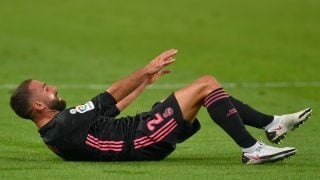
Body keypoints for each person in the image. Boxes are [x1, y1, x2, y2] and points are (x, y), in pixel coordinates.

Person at [10, 49, 312, 164]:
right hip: (143, 137)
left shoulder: (55, 135)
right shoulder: (64, 123)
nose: (54, 88)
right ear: (38, 104)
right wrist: (145, 68)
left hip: (140, 136)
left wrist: (145, 84)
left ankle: (273, 123)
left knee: (205, 93)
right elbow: (109, 96)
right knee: (206, 83)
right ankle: (251, 148)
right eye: (47, 89)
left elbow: (109, 111)